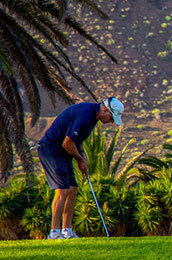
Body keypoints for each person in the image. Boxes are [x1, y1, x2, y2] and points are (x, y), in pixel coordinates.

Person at [37, 97, 123, 240]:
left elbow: (77, 141)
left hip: (62, 152)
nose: (112, 121)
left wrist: (83, 158)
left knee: (73, 189)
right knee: (63, 189)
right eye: (112, 117)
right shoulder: (85, 114)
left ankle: (67, 231)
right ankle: (54, 233)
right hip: (51, 150)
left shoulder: (93, 118)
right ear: (105, 110)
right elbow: (67, 143)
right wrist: (79, 160)